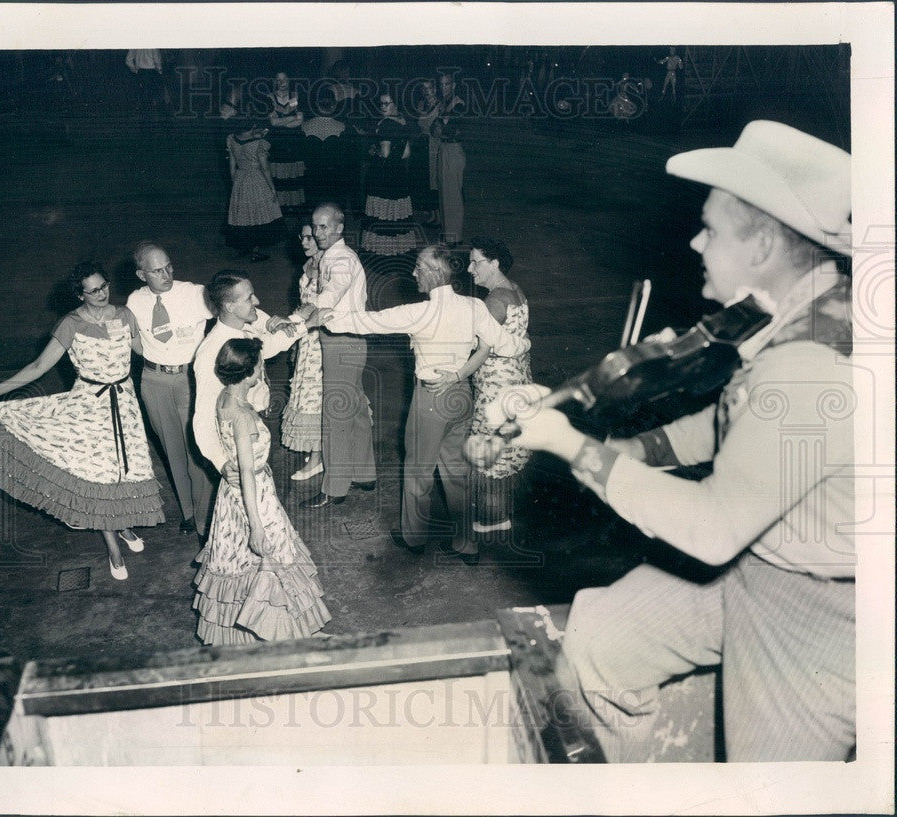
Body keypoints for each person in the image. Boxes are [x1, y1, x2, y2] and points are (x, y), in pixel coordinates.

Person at [478, 121, 855, 761]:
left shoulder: (806, 362)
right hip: (753, 563)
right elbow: (740, 423)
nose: (695, 241)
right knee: (601, 641)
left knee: (770, 785)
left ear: (762, 245)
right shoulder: (800, 304)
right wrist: (643, 451)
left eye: (710, 229)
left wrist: (574, 447)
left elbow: (712, 528)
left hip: (819, 610)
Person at [0, 262, 164, 581]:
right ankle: (114, 551)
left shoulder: (125, 316)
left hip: (126, 405)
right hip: (89, 408)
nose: (102, 294)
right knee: (97, 476)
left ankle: (123, 525)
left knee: (123, 472)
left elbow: (149, 350)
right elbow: (38, 366)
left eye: (104, 286)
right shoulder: (71, 324)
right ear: (80, 294)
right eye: (92, 291)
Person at [324, 244, 530, 563]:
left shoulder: (418, 312)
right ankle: (466, 544)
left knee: (418, 471)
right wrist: (525, 341)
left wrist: (327, 317)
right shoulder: (475, 306)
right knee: (456, 472)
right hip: (462, 396)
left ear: (435, 273)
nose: (413, 272)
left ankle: (414, 537)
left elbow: (365, 322)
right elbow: (508, 344)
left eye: (419, 266)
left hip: (431, 399)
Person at [192, 337, 331, 645]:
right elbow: (245, 472)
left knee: (240, 564)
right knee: (278, 559)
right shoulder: (242, 417)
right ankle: (299, 634)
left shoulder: (224, 399)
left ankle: (269, 634)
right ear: (251, 371)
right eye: (260, 366)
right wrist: (257, 524)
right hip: (254, 496)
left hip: (230, 498)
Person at [192, 270, 326, 482]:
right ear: (229, 307)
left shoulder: (244, 328)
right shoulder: (212, 350)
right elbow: (203, 415)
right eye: (248, 298)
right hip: (239, 435)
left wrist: (306, 325)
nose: (257, 300)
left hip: (259, 419)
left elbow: (267, 348)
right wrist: (220, 462)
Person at [126, 242, 214, 541]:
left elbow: (231, 308)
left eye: (169, 267)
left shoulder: (195, 293)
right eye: (157, 271)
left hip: (189, 380)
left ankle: (206, 521)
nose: (167, 274)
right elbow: (134, 341)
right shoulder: (134, 301)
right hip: (153, 381)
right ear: (141, 274)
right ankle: (190, 512)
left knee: (197, 452)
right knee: (172, 452)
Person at [300, 203, 377, 508]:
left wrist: (300, 316)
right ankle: (364, 472)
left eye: (324, 227)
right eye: (315, 226)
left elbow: (330, 296)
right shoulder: (332, 256)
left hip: (342, 342)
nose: (318, 233)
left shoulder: (341, 260)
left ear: (339, 228)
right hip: (348, 341)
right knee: (355, 406)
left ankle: (334, 488)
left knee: (336, 415)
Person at [466, 237, 533, 539]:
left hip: (495, 383)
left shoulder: (494, 300)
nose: (470, 269)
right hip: (516, 376)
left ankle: (494, 517)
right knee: (506, 446)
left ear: (493, 263)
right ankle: (501, 512)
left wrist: (458, 371)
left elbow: (481, 349)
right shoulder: (514, 290)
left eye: (475, 262)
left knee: (490, 447)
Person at [281, 225, 325, 481]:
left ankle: (318, 459)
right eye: (303, 236)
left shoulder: (328, 267)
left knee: (314, 398)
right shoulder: (309, 264)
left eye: (310, 237)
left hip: (319, 339)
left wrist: (292, 322)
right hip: (306, 338)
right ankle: (316, 450)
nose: (305, 241)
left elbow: (316, 307)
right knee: (306, 394)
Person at [361, 93, 417, 256]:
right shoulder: (403, 123)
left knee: (381, 213)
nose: (383, 107)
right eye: (381, 104)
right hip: (399, 173)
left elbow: (384, 153)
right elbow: (406, 153)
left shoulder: (385, 124)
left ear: (395, 105)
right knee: (396, 213)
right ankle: (397, 251)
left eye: (387, 103)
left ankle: (382, 252)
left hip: (383, 174)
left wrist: (373, 151)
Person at [225, 122, 283, 263]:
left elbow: (232, 165)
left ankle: (244, 247)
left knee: (242, 214)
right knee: (257, 215)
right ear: (252, 125)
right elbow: (265, 168)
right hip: (256, 179)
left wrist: (235, 182)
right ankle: (255, 252)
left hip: (240, 178)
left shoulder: (232, 138)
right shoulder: (259, 144)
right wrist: (272, 188)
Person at [431, 72, 467, 244]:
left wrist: (441, 126)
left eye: (446, 84)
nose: (443, 88)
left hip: (453, 150)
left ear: (453, 85)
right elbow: (434, 129)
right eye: (441, 84)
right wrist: (441, 125)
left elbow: (449, 130)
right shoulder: (443, 105)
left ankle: (455, 238)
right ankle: (448, 234)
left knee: (453, 195)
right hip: (444, 148)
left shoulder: (459, 104)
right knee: (444, 195)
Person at [267, 71, 306, 210]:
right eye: (278, 80)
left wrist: (282, 121)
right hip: (277, 144)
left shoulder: (294, 96)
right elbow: (273, 123)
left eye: (284, 79)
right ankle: (278, 208)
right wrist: (291, 118)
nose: (281, 83)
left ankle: (293, 207)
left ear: (289, 80)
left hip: (293, 143)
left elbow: (299, 121)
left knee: (293, 176)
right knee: (278, 176)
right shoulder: (270, 98)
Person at [415, 78, 442, 228]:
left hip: (434, 146)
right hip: (422, 146)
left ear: (435, 89)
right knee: (425, 181)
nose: (426, 92)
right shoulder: (421, 105)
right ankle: (432, 215)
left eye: (429, 88)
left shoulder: (440, 106)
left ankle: (439, 216)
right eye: (423, 89)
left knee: (434, 181)